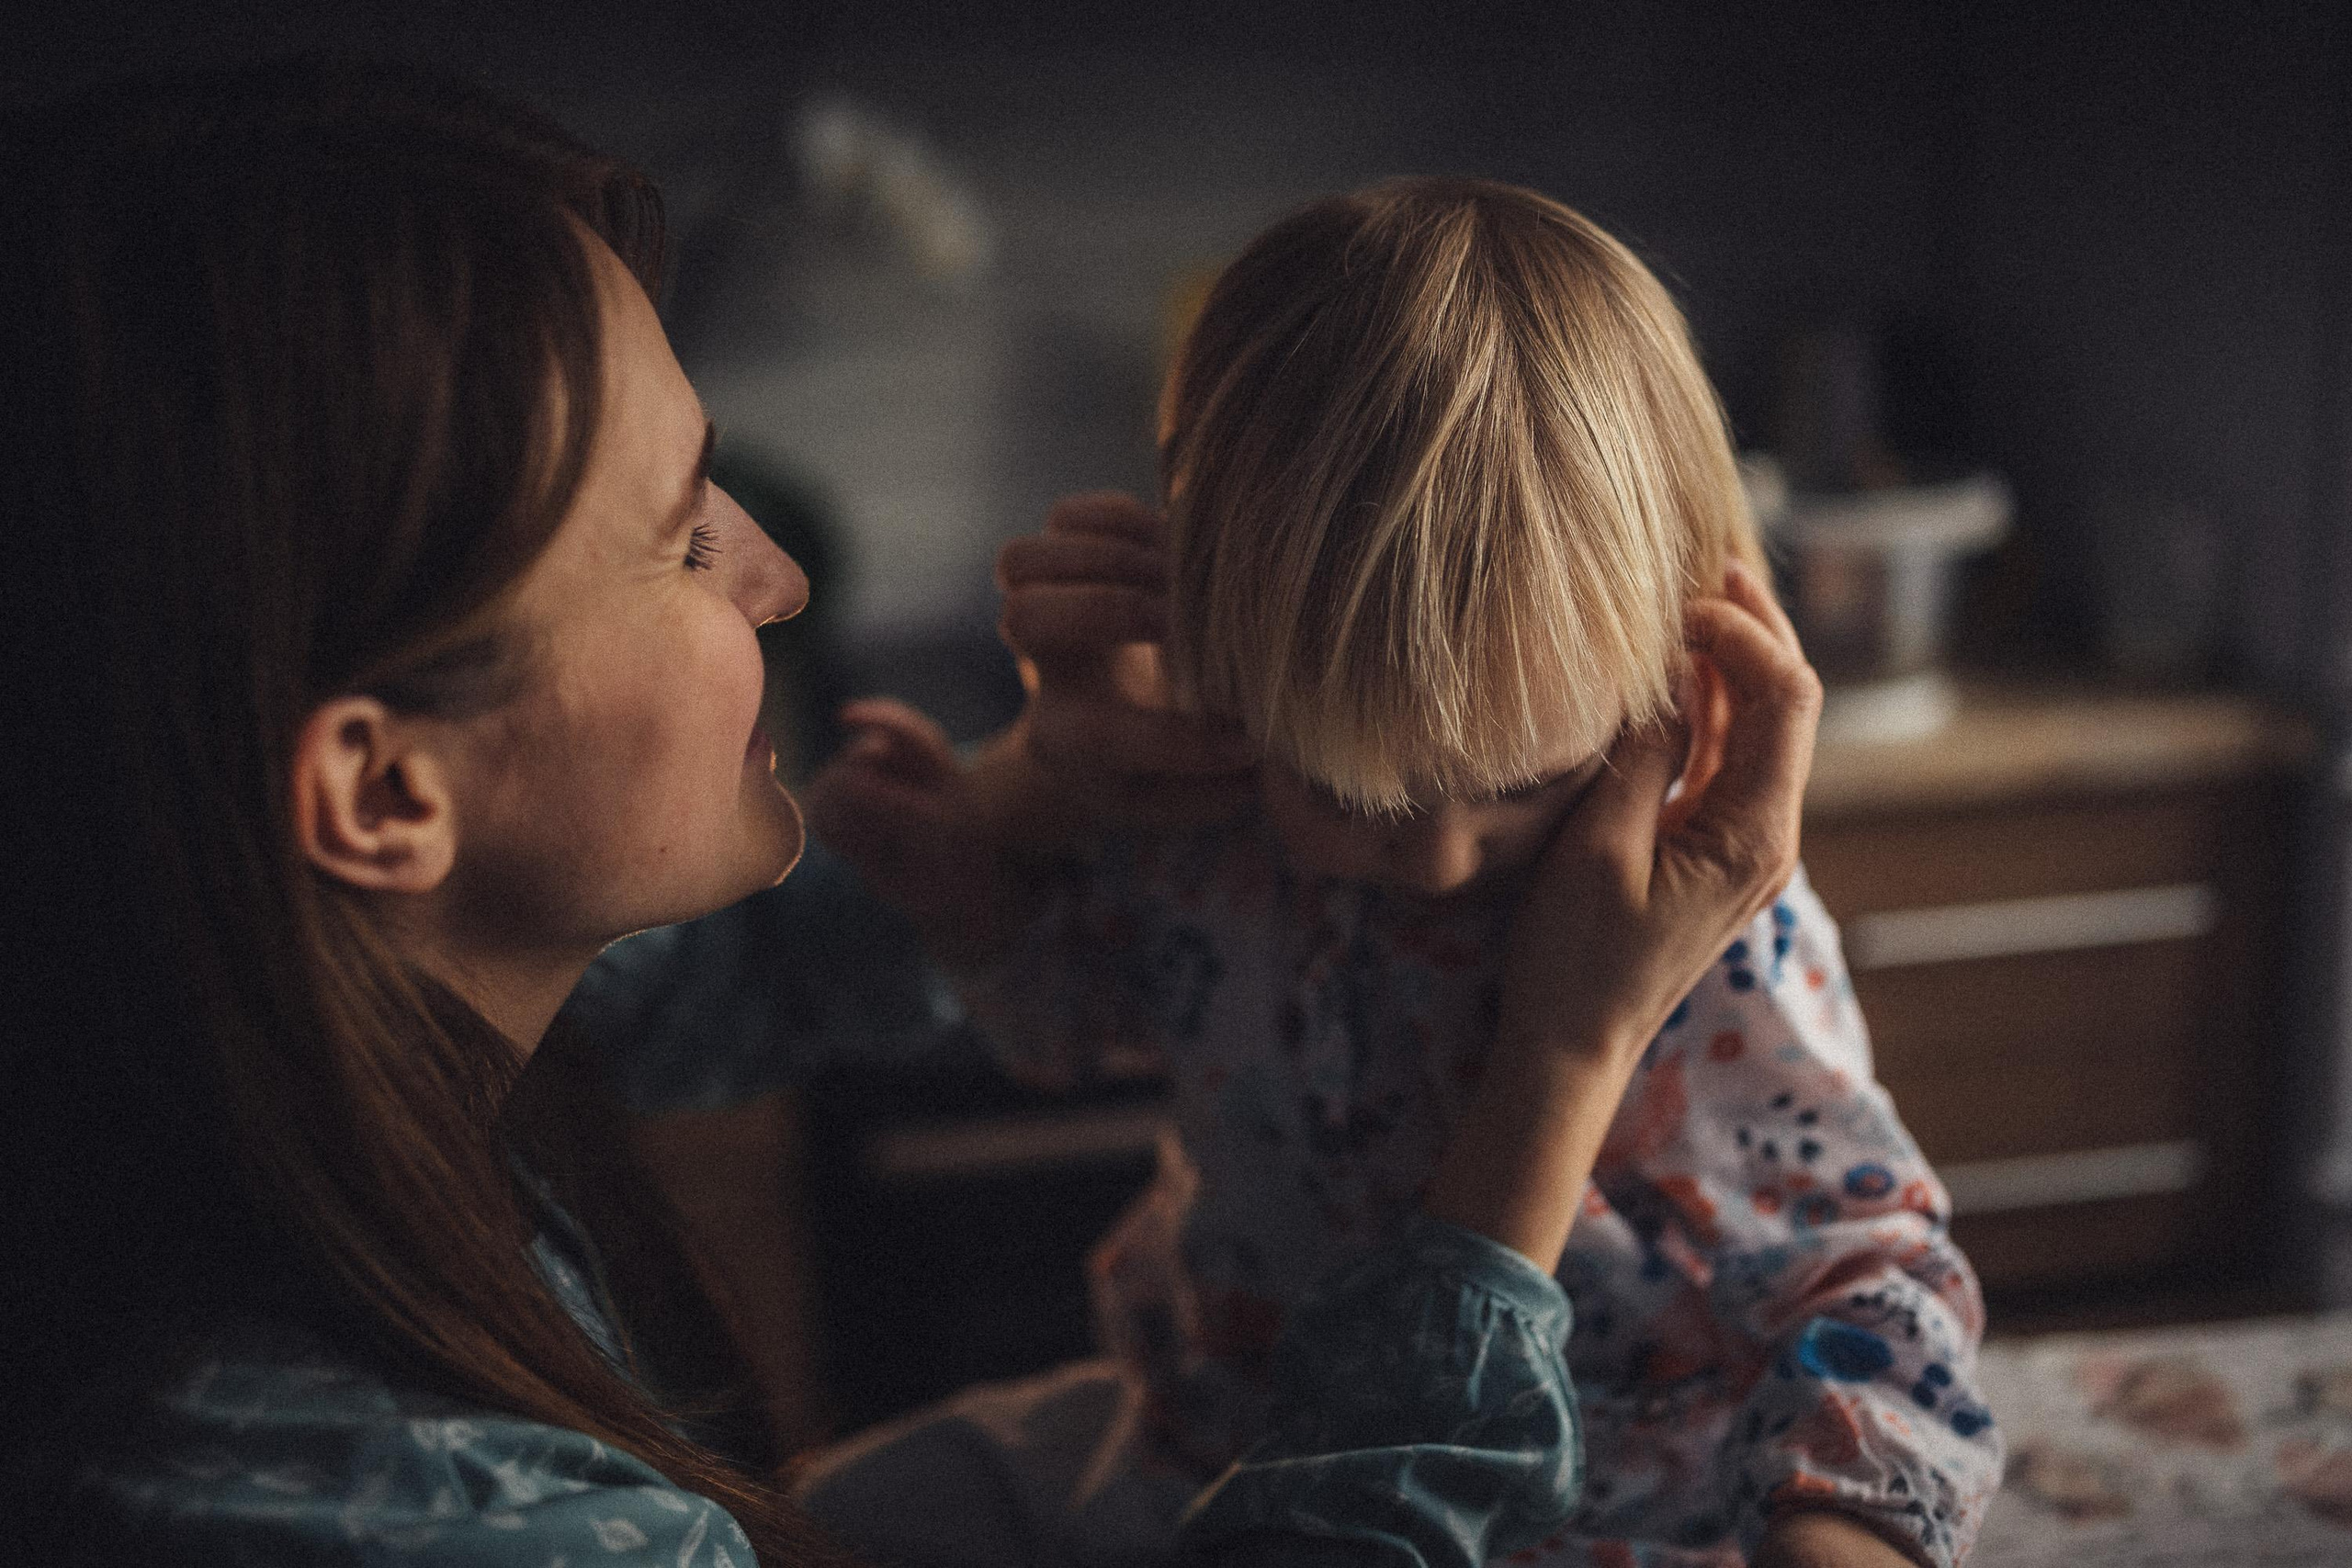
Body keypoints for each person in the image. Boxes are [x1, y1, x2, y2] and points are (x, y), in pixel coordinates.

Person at [0, 68, 1821, 1568]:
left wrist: (1039, 800)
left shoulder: (213, 1043)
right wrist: (1557, 1053)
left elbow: (803, 976)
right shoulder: (321, 1501)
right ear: (384, 791)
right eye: (683, 529)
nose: (783, 578)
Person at [808, 181, 1997, 1567]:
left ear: (1681, 670)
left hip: (1594, 1520)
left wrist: (1839, 1531)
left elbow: (1863, 1278)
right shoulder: (1214, 804)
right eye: (1341, 790)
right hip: (1210, 1457)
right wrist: (978, 896)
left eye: (1520, 786)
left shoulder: (1697, 925)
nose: (1433, 861)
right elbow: (1085, 1022)